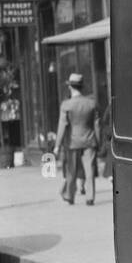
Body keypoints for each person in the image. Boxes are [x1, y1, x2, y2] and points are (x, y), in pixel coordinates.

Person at [54, 73, 100, 206]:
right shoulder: (91, 103)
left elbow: (62, 126)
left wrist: (57, 145)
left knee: (71, 169)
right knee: (89, 169)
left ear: (70, 87)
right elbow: (97, 125)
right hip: (89, 140)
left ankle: (69, 195)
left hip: (72, 141)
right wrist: (98, 141)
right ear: (82, 87)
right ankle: (90, 197)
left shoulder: (66, 105)